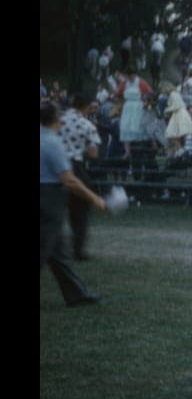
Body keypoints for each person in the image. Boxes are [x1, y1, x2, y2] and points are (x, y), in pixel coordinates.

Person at [41, 102, 107, 306]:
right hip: (48, 197)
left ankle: (76, 293)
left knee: (58, 251)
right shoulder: (53, 142)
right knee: (44, 247)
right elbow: (68, 179)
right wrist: (93, 197)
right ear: (56, 119)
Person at [59, 94, 103, 260]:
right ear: (87, 107)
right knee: (81, 210)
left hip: (54, 166)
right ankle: (78, 249)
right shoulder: (87, 125)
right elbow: (93, 153)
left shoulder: (58, 120)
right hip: (75, 166)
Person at [115, 68, 152, 160]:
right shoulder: (124, 83)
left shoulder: (141, 82)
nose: (130, 77)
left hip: (138, 106)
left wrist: (146, 102)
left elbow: (149, 92)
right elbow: (118, 93)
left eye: (131, 75)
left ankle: (139, 148)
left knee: (137, 126)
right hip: (128, 106)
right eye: (128, 75)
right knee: (125, 127)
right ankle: (127, 151)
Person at [162, 80, 192, 156]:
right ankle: (181, 149)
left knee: (173, 134)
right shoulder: (175, 94)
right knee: (175, 134)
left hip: (179, 115)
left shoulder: (173, 94)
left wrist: (166, 110)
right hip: (178, 114)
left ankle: (181, 149)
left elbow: (176, 106)